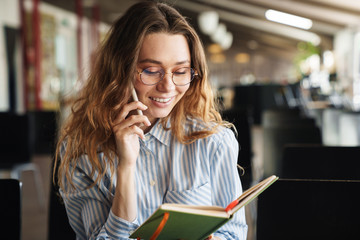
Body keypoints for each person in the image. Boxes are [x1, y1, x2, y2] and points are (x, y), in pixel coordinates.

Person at [54, 1, 248, 239]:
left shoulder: (214, 142)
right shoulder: (84, 152)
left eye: (180, 72)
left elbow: (234, 233)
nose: (167, 86)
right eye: (151, 71)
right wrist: (126, 167)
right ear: (120, 71)